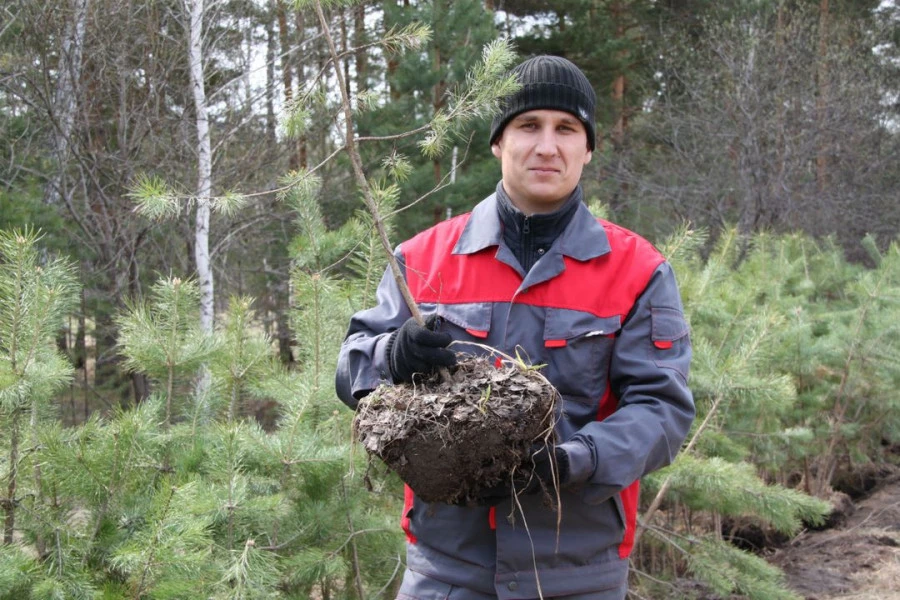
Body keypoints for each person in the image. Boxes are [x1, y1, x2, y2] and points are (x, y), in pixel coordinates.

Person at [335, 55, 694, 600]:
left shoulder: (638, 272)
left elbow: (662, 410)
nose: (546, 145)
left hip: (578, 575)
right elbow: (351, 367)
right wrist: (392, 355)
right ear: (499, 142)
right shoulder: (423, 257)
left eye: (566, 129)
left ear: (588, 148)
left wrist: (575, 460)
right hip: (446, 573)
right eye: (528, 125)